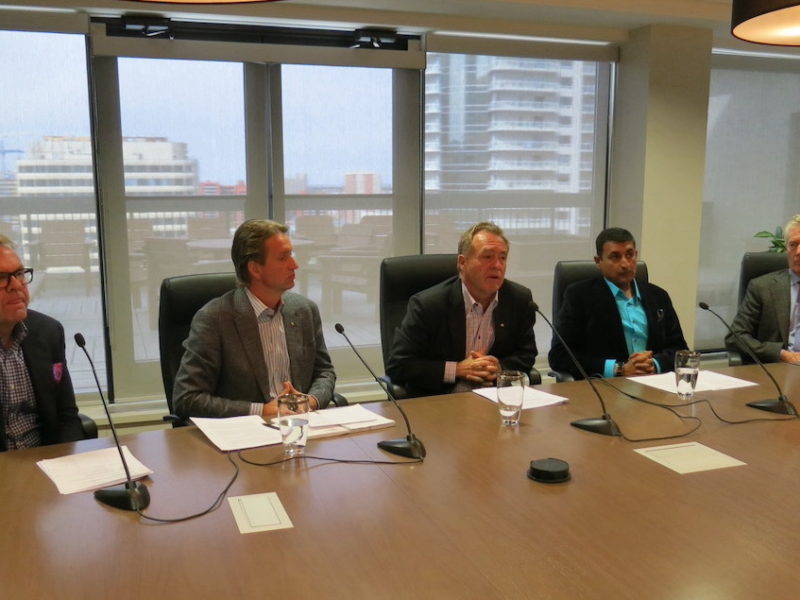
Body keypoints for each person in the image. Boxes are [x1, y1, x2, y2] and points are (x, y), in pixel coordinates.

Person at [173, 219, 336, 419]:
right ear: (255, 269)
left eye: (291, 254)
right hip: (244, 435)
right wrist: (263, 410)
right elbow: (187, 399)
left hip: (300, 425)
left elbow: (324, 372)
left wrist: (309, 401)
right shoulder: (215, 319)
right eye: (283, 257)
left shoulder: (304, 310)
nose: (295, 265)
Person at [387, 222, 537, 397]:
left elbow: (526, 353)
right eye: (487, 256)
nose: (497, 265)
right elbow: (399, 365)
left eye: (503, 257)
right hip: (443, 401)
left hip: (496, 398)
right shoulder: (429, 305)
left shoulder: (518, 299)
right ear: (462, 262)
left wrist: (499, 368)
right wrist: (457, 369)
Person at [548, 227, 687, 380]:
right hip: (607, 388)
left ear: (636, 255)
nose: (625, 264)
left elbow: (680, 350)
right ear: (598, 261)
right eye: (615, 257)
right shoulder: (579, 296)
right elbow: (560, 356)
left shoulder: (658, 296)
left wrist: (654, 364)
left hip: (654, 384)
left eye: (629, 255)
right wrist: (619, 369)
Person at [0, 235, 83, 451]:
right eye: (1, 278)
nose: (16, 285)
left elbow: (67, 416)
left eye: (19, 273)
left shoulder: (48, 332)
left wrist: (67, 464)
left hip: (46, 464)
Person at [725, 215, 800, 364]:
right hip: (779, 369)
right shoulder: (762, 287)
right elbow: (735, 336)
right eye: (793, 244)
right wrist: (782, 354)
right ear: (786, 249)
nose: (798, 252)